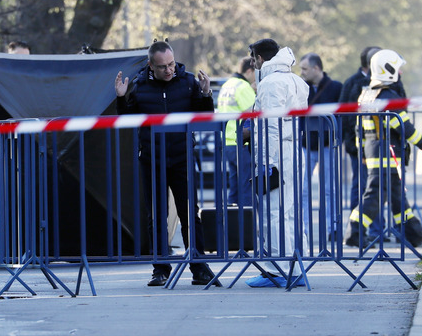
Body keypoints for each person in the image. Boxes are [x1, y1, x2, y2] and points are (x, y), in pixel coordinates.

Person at [115, 41, 219, 287]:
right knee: (157, 216)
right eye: (162, 67)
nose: (169, 70)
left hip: (182, 157)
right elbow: (126, 121)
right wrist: (120, 99)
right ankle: (160, 268)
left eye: (171, 64)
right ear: (151, 65)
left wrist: (205, 94)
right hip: (152, 159)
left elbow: (204, 117)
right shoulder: (139, 86)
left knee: (190, 215)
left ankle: (199, 267)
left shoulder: (188, 82)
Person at [345, 49, 422, 251]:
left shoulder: (367, 94)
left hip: (374, 151)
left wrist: (362, 153)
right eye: (397, 69)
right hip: (386, 152)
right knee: (375, 195)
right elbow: (404, 126)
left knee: (396, 195)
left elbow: (359, 128)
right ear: (388, 70)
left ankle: (414, 234)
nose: (400, 73)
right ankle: (354, 233)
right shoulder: (388, 96)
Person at [245, 39, 310, 288]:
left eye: (253, 59)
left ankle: (278, 269)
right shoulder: (296, 80)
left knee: (274, 212)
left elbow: (270, 125)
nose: (252, 65)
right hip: (293, 148)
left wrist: (265, 161)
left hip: (277, 152)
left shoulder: (271, 83)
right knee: (290, 210)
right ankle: (298, 265)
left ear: (260, 58)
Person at [338, 46, 382, 240]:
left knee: (380, 187)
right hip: (359, 146)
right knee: (361, 186)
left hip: (382, 144)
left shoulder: (387, 82)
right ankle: (357, 230)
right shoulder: (353, 83)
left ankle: (378, 230)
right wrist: (354, 142)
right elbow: (344, 114)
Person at [297, 53, 343, 237]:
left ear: (317, 68)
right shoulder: (301, 88)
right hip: (306, 145)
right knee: (303, 190)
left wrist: (339, 139)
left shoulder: (336, 88)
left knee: (329, 189)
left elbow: (342, 116)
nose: (302, 73)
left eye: (305, 69)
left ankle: (333, 228)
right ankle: (304, 230)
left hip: (327, 145)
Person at [216, 57, 256, 207]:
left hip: (227, 141)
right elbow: (253, 113)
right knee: (247, 186)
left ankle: (231, 225)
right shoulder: (243, 87)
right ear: (249, 71)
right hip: (242, 142)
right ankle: (247, 227)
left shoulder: (227, 85)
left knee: (234, 186)